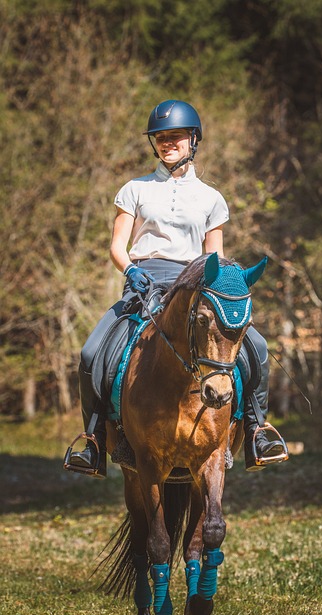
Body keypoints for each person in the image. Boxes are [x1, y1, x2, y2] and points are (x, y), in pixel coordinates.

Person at [68, 99, 287, 478]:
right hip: (142, 285)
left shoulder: (211, 199)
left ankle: (257, 430)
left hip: (193, 286)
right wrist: (130, 269)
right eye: (161, 138)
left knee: (258, 347)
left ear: (193, 139)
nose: (167, 143)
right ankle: (95, 441)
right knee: (91, 353)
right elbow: (117, 246)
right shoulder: (133, 189)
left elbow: (213, 257)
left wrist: (220, 286)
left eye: (175, 137)